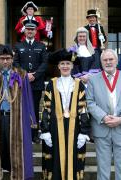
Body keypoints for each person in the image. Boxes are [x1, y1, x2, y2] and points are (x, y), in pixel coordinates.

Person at [0, 44, 36, 180]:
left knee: (17, 150)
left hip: (16, 119)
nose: (5, 61)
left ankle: (17, 175)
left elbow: (28, 98)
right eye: (2, 58)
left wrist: (31, 119)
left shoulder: (22, 74)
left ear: (12, 59)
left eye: (8, 58)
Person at [40, 48, 90, 180]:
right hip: (55, 127)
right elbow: (46, 108)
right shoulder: (52, 83)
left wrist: (84, 132)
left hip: (75, 128)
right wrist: (45, 130)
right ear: (58, 66)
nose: (65, 66)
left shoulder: (79, 84)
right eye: (62, 64)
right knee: (55, 158)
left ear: (72, 66)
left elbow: (84, 109)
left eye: (68, 63)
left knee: (73, 158)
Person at [86, 49, 121, 180]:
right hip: (101, 128)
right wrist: (103, 117)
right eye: (105, 60)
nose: (108, 62)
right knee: (102, 168)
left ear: (116, 61)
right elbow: (90, 102)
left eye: (111, 59)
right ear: (101, 62)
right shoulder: (93, 80)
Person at [14, 19, 48, 143]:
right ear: (25, 31)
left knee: (34, 108)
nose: (30, 31)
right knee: (22, 108)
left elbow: (45, 63)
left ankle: (34, 134)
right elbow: (15, 62)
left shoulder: (41, 46)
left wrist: (35, 75)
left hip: (36, 84)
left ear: (35, 31)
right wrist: (24, 74)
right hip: (22, 83)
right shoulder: (18, 46)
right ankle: (23, 133)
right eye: (28, 29)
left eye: (32, 29)